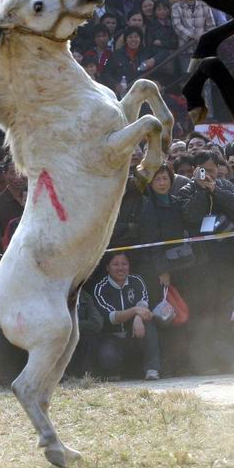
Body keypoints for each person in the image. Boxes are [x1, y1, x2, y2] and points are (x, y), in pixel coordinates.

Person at [177, 150, 234, 373]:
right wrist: (200, 189)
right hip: (200, 264)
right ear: (196, 170)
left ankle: (227, 360)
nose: (210, 173)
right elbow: (190, 216)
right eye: (205, 169)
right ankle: (203, 363)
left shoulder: (226, 186)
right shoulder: (186, 190)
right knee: (203, 313)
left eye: (213, 168)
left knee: (225, 311)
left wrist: (215, 189)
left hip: (227, 259)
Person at [139, 162, 193, 375]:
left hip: (179, 267)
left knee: (178, 315)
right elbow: (150, 242)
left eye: (165, 178)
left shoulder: (176, 201)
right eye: (157, 179)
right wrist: (162, 270)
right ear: (150, 182)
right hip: (157, 272)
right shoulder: (147, 206)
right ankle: (156, 366)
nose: (162, 183)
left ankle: (179, 365)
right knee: (162, 317)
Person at [93, 252, 160, 380]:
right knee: (108, 355)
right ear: (107, 267)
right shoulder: (100, 288)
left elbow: (144, 307)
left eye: (124, 264)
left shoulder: (137, 281)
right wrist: (135, 310)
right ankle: (115, 373)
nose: (120, 268)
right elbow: (113, 317)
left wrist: (138, 318)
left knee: (148, 322)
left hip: (133, 334)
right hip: (112, 337)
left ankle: (152, 370)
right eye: (115, 264)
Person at [104, 26, 166, 95]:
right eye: (130, 37)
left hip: (143, 91)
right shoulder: (116, 55)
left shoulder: (146, 51)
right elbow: (106, 74)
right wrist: (115, 85)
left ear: (140, 39)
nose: (133, 39)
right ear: (126, 40)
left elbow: (164, 52)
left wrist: (153, 60)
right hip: (124, 92)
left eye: (136, 37)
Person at [171, 0, 215, 72]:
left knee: (205, 75)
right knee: (188, 77)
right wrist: (192, 36)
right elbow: (177, 25)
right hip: (185, 48)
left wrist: (203, 38)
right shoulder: (176, 7)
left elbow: (211, 26)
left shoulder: (204, 4)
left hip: (202, 48)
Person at [0, 158, 26, 235]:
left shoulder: (34, 198)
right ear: (5, 175)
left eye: (22, 172)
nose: (18, 177)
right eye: (13, 173)